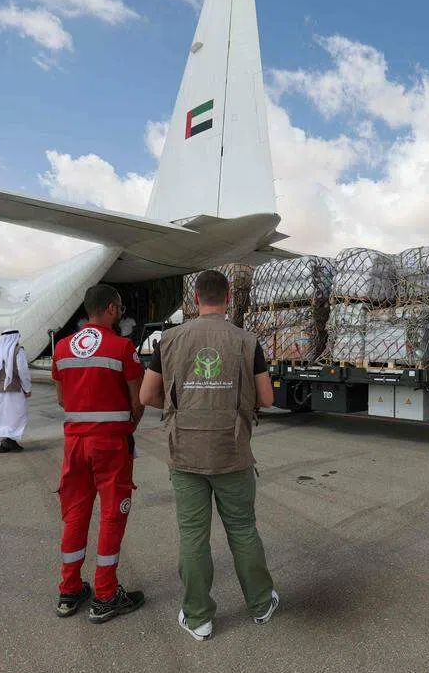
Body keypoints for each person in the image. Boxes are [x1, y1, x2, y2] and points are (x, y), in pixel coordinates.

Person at [139, 269, 279, 642]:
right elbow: (267, 399)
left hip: (185, 454)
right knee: (244, 531)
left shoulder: (168, 341)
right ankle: (261, 604)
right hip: (232, 453)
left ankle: (199, 617)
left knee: (193, 537)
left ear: (195, 299)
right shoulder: (247, 342)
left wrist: (177, 409)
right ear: (229, 297)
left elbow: (146, 396)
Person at [51, 285, 146, 623]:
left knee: (75, 515)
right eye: (118, 307)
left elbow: (62, 400)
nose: (120, 312)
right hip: (110, 444)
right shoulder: (123, 348)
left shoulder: (61, 348)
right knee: (111, 516)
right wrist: (126, 425)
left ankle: (70, 589)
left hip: (74, 445)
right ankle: (105, 595)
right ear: (109, 308)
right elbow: (138, 400)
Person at [0, 330, 31, 453]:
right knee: (15, 415)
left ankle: (5, 442)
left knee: (0, 416)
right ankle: (9, 441)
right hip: (13, 389)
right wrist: (27, 388)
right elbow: (23, 371)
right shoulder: (18, 350)